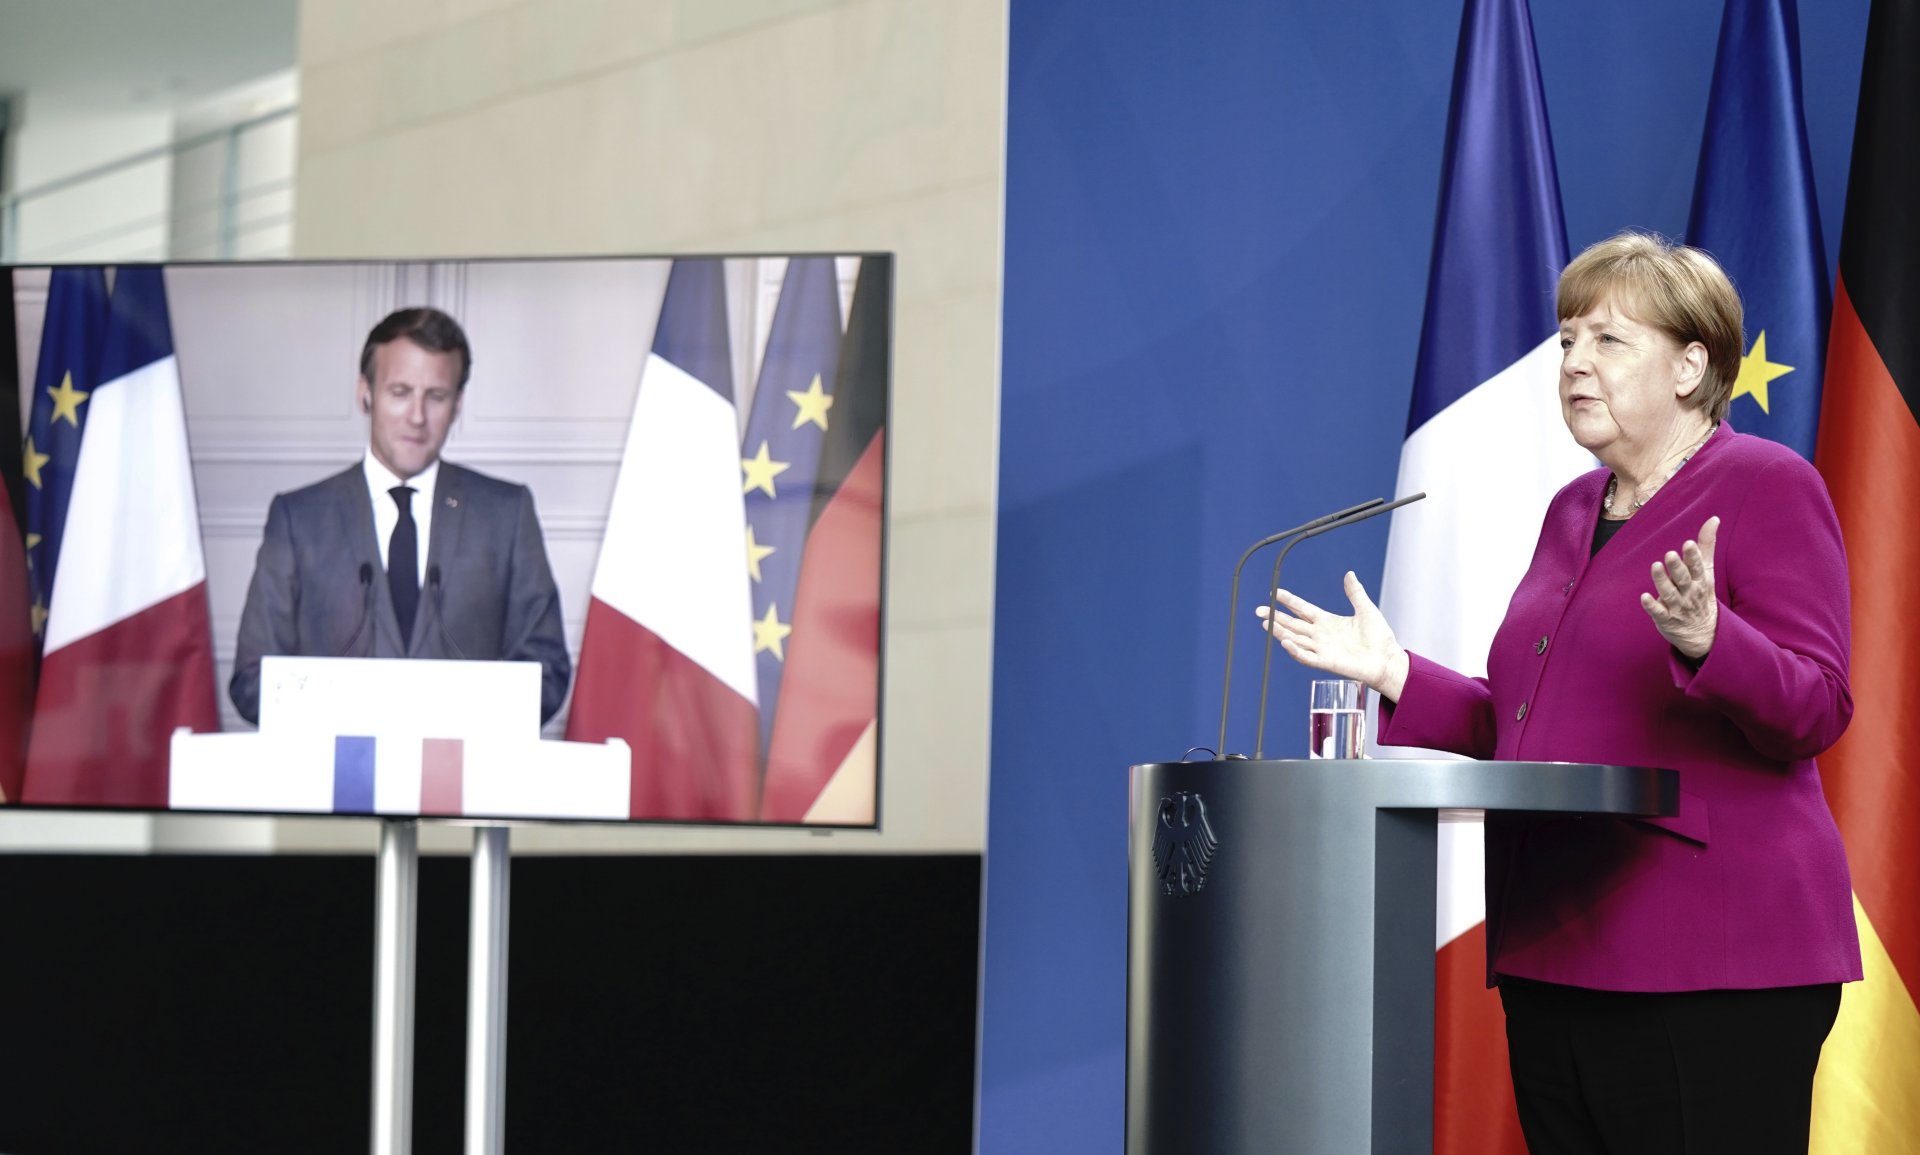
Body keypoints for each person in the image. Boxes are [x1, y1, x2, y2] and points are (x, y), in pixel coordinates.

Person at [1261, 232, 1858, 1152]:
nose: (1575, 362)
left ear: (1691, 365)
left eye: (1609, 340)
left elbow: (1817, 705)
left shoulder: (1768, 485)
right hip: (1555, 946)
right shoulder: (1575, 509)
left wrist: (1715, 641)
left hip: (1711, 959)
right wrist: (1396, 673)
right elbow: (1529, 725)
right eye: (1569, 339)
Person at [230, 307, 571, 724]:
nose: (417, 417)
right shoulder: (299, 519)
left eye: (436, 396)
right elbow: (252, 681)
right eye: (400, 392)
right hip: (337, 763)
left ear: (458, 404)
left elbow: (547, 673)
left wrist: (460, 720)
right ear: (365, 393)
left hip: (460, 762)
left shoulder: (505, 513)